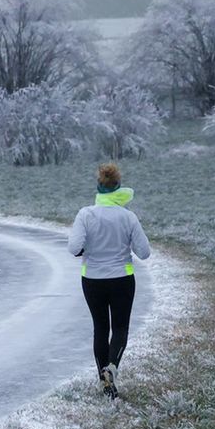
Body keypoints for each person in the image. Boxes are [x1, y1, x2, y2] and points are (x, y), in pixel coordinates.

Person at [67, 162, 151, 399]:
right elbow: (144, 252)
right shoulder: (128, 217)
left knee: (100, 328)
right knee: (120, 328)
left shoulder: (86, 214)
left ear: (99, 186)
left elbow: (73, 247)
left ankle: (105, 384)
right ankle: (111, 368)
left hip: (92, 279)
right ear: (118, 187)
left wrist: (87, 250)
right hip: (122, 280)